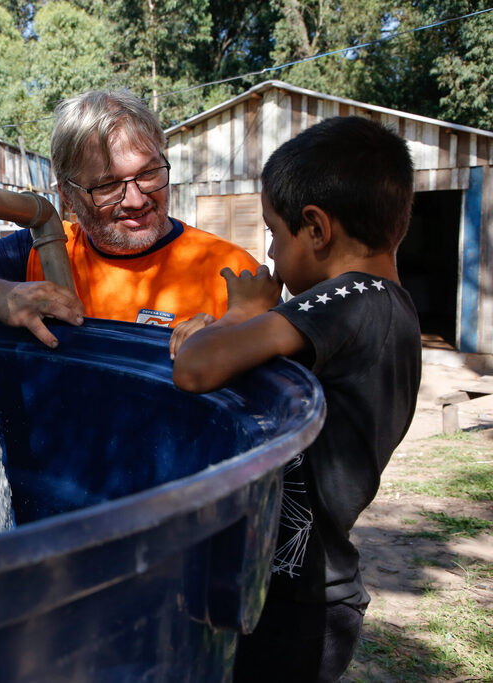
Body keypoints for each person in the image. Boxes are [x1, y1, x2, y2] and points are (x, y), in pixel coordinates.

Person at [171, 116, 422, 682]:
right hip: (302, 586)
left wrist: (242, 313)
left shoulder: (352, 298)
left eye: (274, 235)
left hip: (301, 599)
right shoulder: (385, 309)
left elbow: (194, 368)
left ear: (316, 228)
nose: (270, 255)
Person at [0, 90, 259, 348]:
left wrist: (230, 342)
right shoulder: (44, 249)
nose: (136, 199)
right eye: (107, 185)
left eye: (149, 173)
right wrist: (2, 295)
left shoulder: (231, 271)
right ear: (67, 195)